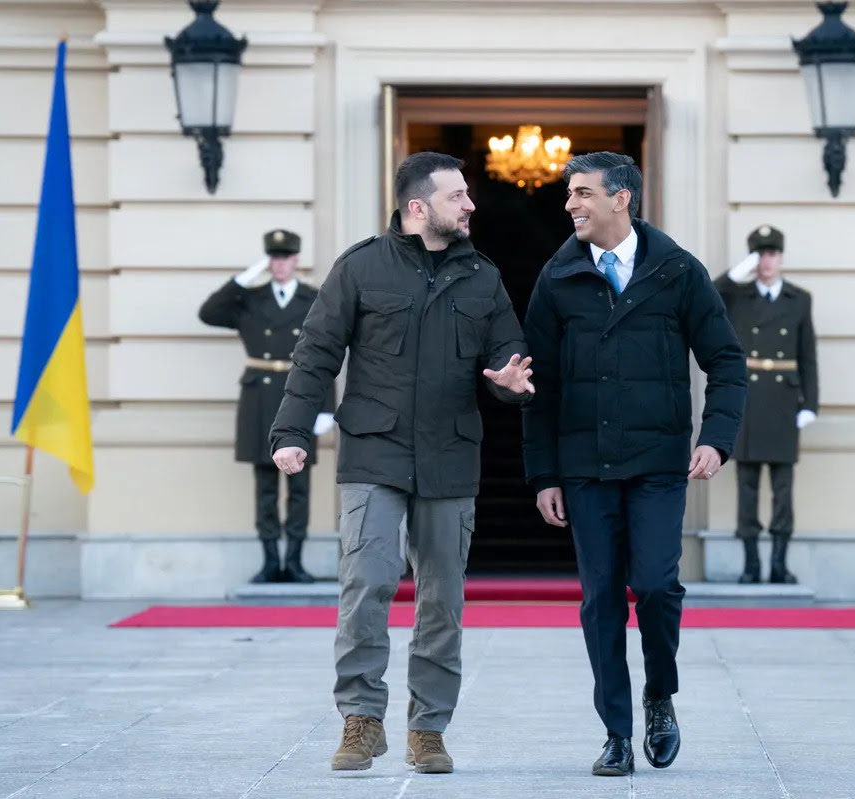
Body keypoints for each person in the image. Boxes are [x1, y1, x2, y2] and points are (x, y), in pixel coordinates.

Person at [270, 152, 533, 775]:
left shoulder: (483, 277)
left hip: (449, 457)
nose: (471, 205)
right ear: (419, 207)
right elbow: (316, 354)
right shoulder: (361, 267)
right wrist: (291, 429)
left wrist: (508, 380)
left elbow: (507, 354)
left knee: (442, 599)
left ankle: (427, 729)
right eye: (458, 196)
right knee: (368, 583)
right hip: (373, 452)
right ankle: (361, 720)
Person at [521, 152, 747, 776]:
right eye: (570, 194)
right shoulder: (557, 278)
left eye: (583, 193)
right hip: (585, 467)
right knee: (600, 600)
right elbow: (538, 385)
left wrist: (716, 438)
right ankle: (616, 733)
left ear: (621, 199)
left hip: (657, 462)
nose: (571, 205)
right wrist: (544, 474)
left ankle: (660, 695)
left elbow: (726, 362)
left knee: (654, 586)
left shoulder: (678, 271)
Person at [198, 229, 335, 584]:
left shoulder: (312, 298)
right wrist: (243, 279)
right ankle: (270, 561)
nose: (280, 264)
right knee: (266, 488)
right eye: (273, 258)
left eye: (285, 257)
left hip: (300, 396)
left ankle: (295, 562)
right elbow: (209, 313)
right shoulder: (250, 298)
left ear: (296, 260)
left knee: (300, 488)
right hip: (260, 397)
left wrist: (326, 408)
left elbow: (328, 353)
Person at [713, 224, 819, 584]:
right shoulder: (738, 296)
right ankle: (751, 564)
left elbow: (808, 355)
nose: (767, 261)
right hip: (750, 400)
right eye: (760, 254)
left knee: (783, 491)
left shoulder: (799, 299)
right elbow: (708, 296)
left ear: (781, 257)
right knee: (747, 488)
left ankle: (779, 563)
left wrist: (811, 404)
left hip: (785, 401)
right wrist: (732, 276)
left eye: (772, 254)